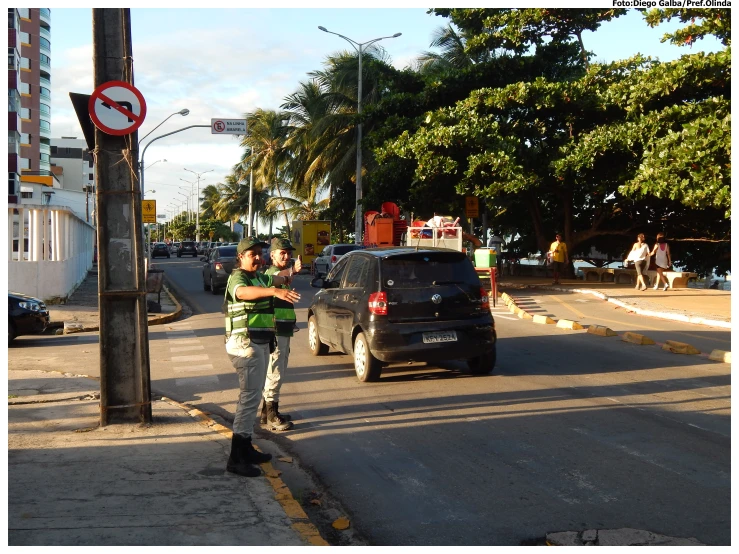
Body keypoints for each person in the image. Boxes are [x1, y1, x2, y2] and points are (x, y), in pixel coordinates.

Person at [223, 237, 300, 477]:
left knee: (253, 397)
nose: (257, 257)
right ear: (240, 257)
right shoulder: (240, 277)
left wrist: (287, 276)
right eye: (251, 254)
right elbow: (242, 292)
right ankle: (236, 458)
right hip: (244, 344)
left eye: (259, 253)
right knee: (249, 398)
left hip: (258, 343)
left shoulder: (259, 276)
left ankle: (246, 448)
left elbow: (278, 278)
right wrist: (274, 290)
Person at [260, 238, 303, 432]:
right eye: (282, 253)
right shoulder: (272, 273)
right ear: (272, 255)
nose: (286, 256)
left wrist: (291, 273)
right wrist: (293, 270)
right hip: (276, 330)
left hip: (283, 330)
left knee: (276, 369)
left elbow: (286, 277)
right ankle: (271, 414)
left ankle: (266, 412)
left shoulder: (281, 274)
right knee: (275, 371)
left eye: (288, 253)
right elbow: (281, 274)